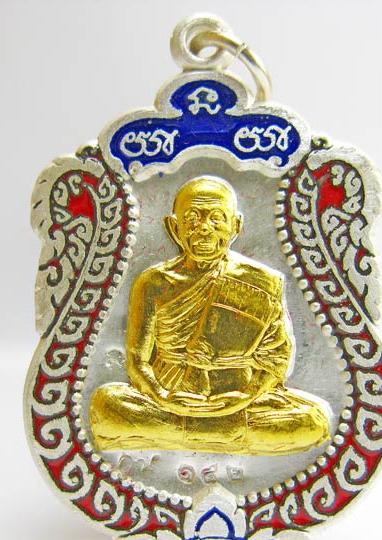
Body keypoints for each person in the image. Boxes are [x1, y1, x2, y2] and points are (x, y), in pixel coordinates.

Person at [89, 176, 330, 455]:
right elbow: (137, 362)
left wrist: (245, 396)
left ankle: (180, 436)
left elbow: (276, 361)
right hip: (172, 397)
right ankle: (225, 436)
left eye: (217, 218)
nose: (204, 229)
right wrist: (163, 397)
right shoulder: (153, 282)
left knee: (312, 421)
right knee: (106, 404)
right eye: (192, 219)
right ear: (174, 227)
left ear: (235, 226)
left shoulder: (261, 282)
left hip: (240, 399)